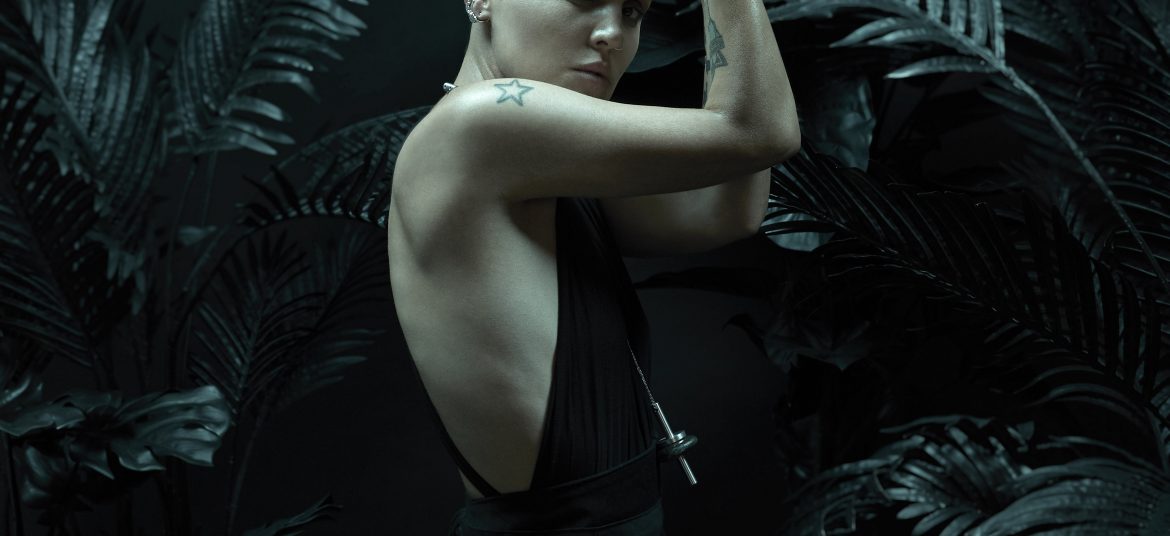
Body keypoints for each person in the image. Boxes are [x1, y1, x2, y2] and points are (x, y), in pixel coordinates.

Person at [386, 0, 799, 533]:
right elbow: (758, 132)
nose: (612, 34)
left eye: (632, 11)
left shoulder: (530, 164)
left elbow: (727, 211)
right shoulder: (481, 122)